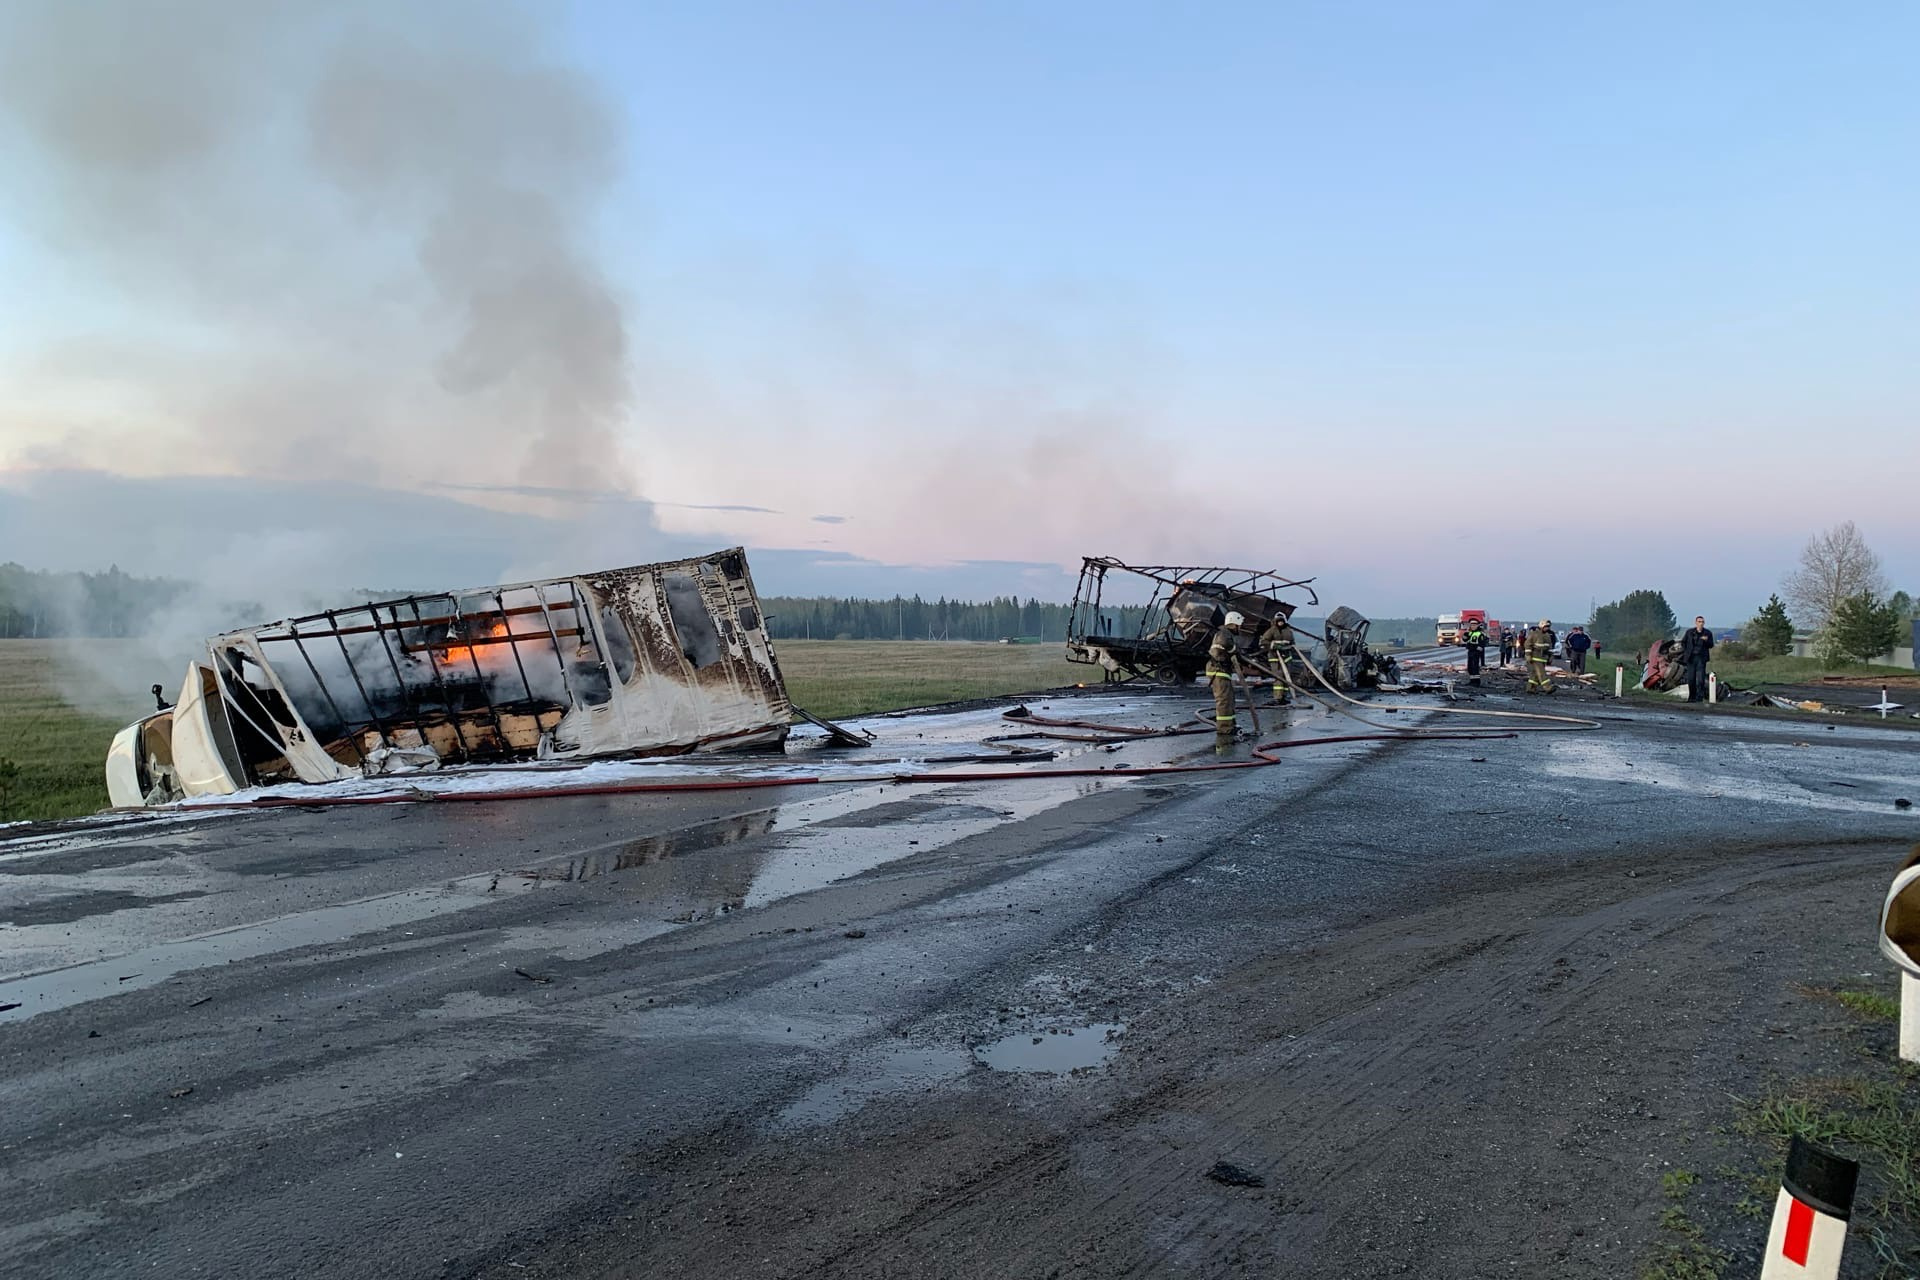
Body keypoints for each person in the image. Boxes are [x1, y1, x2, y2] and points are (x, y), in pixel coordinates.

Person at [1208, 612, 1249, 735]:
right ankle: (1224, 728)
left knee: (1229, 700)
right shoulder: (1224, 634)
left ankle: (1230, 725)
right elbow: (1229, 647)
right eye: (1239, 625)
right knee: (1224, 701)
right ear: (1234, 623)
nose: (1240, 628)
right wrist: (1238, 653)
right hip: (1218, 670)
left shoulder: (1226, 634)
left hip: (1222, 670)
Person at [1257, 613, 1297, 705]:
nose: (1280, 623)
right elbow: (1263, 642)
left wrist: (1289, 647)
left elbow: (1292, 642)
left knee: (1287, 677)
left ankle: (1284, 697)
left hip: (1287, 657)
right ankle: (1278, 697)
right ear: (1275, 622)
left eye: (1281, 621)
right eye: (1278, 621)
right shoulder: (1271, 631)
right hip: (1275, 658)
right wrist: (1275, 646)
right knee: (1278, 677)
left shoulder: (1288, 631)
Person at [1679, 615, 1715, 703]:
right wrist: (1686, 652)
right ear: (1696, 623)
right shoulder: (1689, 632)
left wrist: (1706, 640)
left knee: (1700, 679)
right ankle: (1691, 697)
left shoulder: (1707, 633)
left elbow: (1711, 645)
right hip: (1691, 658)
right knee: (1691, 679)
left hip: (1701, 659)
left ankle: (1699, 698)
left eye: (1702, 622)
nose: (1701, 623)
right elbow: (1683, 642)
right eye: (1699, 622)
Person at [1524, 617, 1554, 695]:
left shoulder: (1547, 636)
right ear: (1541, 626)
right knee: (1542, 673)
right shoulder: (1534, 634)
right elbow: (1527, 645)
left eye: (1548, 627)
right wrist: (1528, 656)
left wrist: (1550, 657)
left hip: (1543, 658)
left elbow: (1550, 647)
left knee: (1535, 675)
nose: (1547, 628)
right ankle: (1548, 687)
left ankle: (1531, 688)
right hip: (1535, 658)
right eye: (1546, 627)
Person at [1463, 619, 1488, 686]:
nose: (1472, 626)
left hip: (1475, 652)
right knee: (1470, 667)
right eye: (1471, 625)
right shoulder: (1470, 633)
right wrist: (1466, 633)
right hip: (1470, 652)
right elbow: (1464, 639)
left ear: (1477, 625)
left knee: (1475, 667)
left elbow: (1482, 645)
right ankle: (1472, 681)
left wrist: (1474, 647)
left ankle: (1476, 682)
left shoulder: (1480, 634)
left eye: (1474, 625)